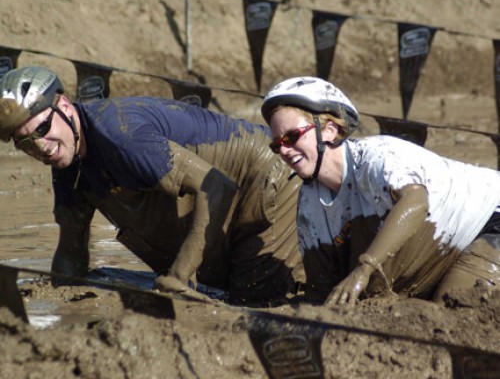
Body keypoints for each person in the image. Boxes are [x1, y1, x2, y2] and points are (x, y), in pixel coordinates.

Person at [0, 66, 304, 305]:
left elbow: (217, 187)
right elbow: (70, 250)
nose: (41, 146)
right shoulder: (66, 165)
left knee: (257, 306)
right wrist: (56, 300)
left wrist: (178, 278)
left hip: (268, 175)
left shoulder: (120, 136)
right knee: (219, 294)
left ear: (64, 106)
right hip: (227, 195)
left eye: (42, 128)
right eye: (25, 141)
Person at [261, 76, 500, 306]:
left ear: (329, 130)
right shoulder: (309, 205)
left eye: (291, 137)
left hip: (491, 220)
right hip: (446, 254)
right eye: (277, 144)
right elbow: (320, 290)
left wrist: (366, 267)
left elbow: (416, 202)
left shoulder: (377, 157)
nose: (284, 150)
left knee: (455, 308)